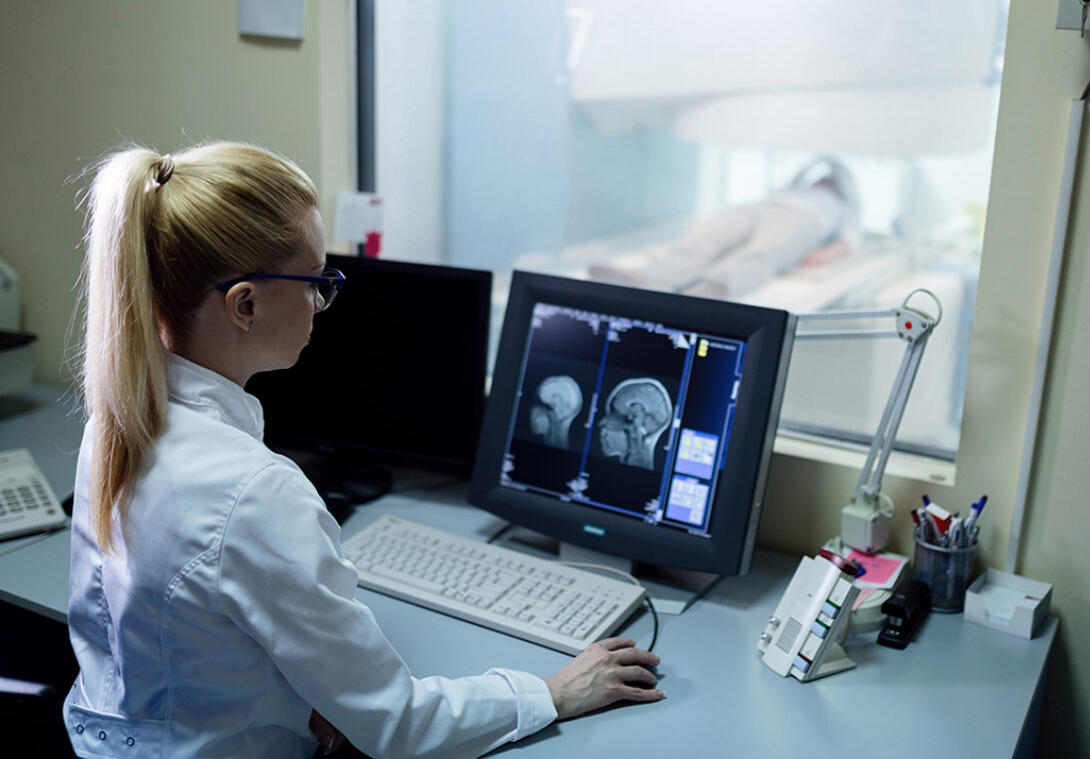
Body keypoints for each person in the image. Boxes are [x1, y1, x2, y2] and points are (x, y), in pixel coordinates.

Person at [64, 142, 663, 759]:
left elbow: (173, 638)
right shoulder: (254, 492)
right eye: (317, 281)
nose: (324, 303)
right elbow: (397, 725)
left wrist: (308, 692)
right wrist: (554, 692)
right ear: (245, 304)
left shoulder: (116, 423)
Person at [588, 156, 860, 300]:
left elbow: (850, 238)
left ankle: (715, 286)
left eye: (829, 179)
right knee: (708, 235)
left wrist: (827, 254)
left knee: (764, 251)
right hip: (763, 207)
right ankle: (646, 276)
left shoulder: (842, 205)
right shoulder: (794, 188)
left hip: (805, 221)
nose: (824, 180)